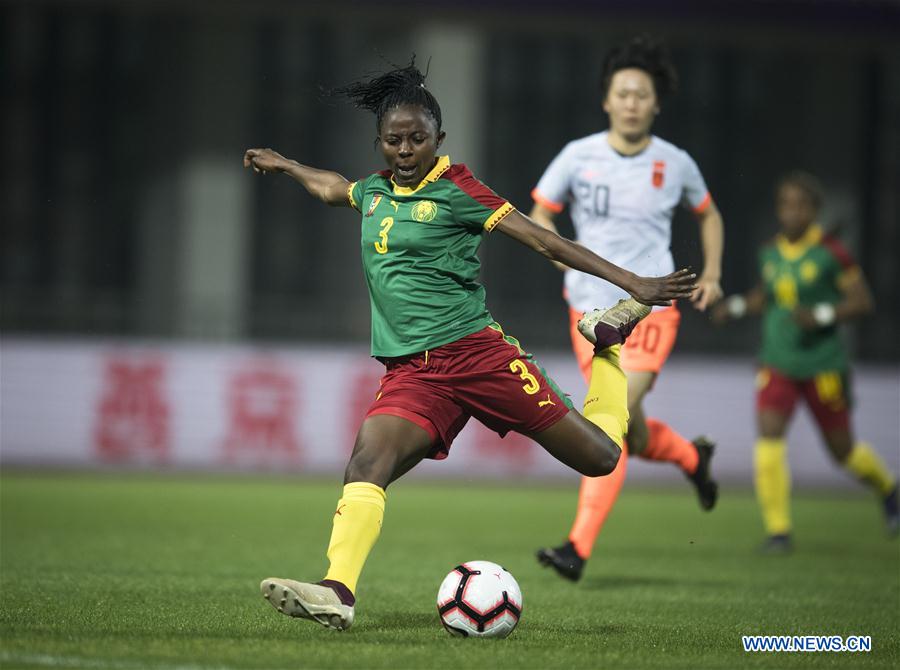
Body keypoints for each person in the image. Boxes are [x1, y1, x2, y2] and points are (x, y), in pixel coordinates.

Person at [243, 62, 697, 630]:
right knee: (367, 460)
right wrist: (286, 165)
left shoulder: (458, 189)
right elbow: (333, 187)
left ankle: (607, 343)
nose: (404, 150)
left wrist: (634, 286)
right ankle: (338, 590)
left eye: (417, 139)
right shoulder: (375, 192)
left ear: (439, 141)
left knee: (601, 458)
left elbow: (544, 240)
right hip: (413, 373)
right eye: (393, 140)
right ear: (378, 142)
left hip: (479, 357)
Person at [531, 35, 724, 581]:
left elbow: (709, 215)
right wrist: (562, 264)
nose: (633, 102)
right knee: (632, 432)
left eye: (642, 94)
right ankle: (692, 458)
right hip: (588, 315)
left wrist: (710, 273)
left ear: (656, 103)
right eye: (624, 93)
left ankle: (577, 547)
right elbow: (539, 214)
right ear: (607, 101)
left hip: (650, 310)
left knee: (607, 425)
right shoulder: (577, 156)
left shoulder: (675, 162)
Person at [712, 170, 898, 553]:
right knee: (768, 437)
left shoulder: (832, 254)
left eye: (800, 205)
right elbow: (767, 297)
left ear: (814, 211)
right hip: (777, 360)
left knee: (843, 452)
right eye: (785, 205)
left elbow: (863, 302)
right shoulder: (770, 252)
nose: (791, 213)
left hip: (822, 363)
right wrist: (733, 306)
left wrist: (823, 315)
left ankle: (888, 488)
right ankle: (778, 530)